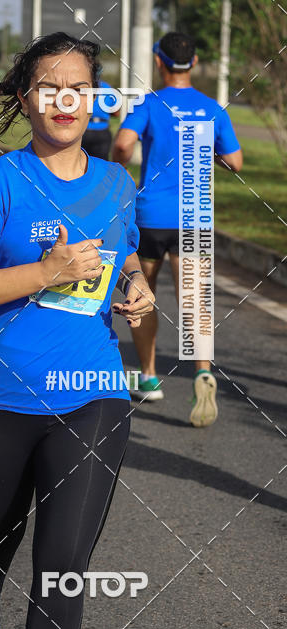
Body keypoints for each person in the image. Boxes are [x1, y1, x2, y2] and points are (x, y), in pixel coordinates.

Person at [0, 32, 155, 629]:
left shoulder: (116, 183)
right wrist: (45, 271)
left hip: (92, 393)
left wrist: (136, 285)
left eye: (79, 89)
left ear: (96, 100)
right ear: (26, 99)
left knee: (62, 566)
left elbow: (125, 253)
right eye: (50, 88)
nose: (65, 101)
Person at [111, 31, 243, 427]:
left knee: (142, 294)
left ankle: (150, 377)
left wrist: (120, 170)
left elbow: (123, 144)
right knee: (195, 300)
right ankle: (202, 371)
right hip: (195, 217)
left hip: (152, 216)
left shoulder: (150, 104)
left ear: (159, 62)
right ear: (195, 62)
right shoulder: (212, 108)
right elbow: (235, 161)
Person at [80, 80, 119, 160]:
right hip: (102, 130)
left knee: (81, 162)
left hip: (84, 130)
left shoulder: (83, 86)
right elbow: (116, 113)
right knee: (101, 163)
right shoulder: (107, 88)